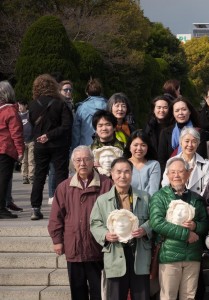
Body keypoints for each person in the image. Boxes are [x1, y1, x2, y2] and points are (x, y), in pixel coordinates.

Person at [48, 145, 112, 299]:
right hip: (74, 246)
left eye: (86, 159)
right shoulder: (64, 187)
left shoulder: (106, 184)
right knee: (78, 291)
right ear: (73, 163)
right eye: (78, 160)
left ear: (93, 161)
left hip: (97, 247)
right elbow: (56, 217)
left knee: (99, 291)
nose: (82, 163)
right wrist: (57, 240)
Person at [89, 158, 152, 300]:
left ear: (132, 173)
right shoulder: (102, 200)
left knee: (141, 296)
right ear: (111, 173)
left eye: (127, 172)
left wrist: (144, 229)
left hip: (139, 253)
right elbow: (95, 223)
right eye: (118, 172)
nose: (122, 176)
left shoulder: (145, 197)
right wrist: (105, 235)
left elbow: (154, 220)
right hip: (115, 253)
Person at [150, 156, 209, 300]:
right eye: (173, 172)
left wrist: (195, 226)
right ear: (168, 175)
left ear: (188, 174)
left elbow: (205, 223)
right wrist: (186, 234)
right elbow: (157, 223)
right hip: (169, 254)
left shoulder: (196, 198)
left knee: (189, 296)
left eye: (181, 172)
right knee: (168, 296)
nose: (176, 175)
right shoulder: (159, 197)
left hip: (193, 255)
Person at [29, 74, 73, 220]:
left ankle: (35, 208)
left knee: (39, 176)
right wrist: (51, 135)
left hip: (40, 145)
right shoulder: (60, 104)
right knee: (61, 175)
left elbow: (31, 125)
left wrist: (42, 136)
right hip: (59, 144)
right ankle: (61, 207)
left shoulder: (33, 105)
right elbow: (67, 126)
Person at [157, 97, 205, 171]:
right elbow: (162, 160)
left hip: (194, 174)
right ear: (173, 113)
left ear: (189, 111)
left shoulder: (199, 132)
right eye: (177, 110)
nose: (180, 113)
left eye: (184, 109)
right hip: (171, 176)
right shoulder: (165, 133)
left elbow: (201, 157)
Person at [161, 127, 209, 196]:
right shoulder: (171, 162)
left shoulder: (206, 165)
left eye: (194, 142)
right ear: (181, 143)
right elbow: (165, 185)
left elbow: (207, 189)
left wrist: (196, 202)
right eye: (187, 141)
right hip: (175, 202)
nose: (190, 145)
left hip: (198, 203)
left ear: (198, 144)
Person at [0, 81, 24, 218]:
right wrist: (20, 151)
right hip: (5, 149)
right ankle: (1, 208)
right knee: (4, 180)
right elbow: (16, 133)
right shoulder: (10, 112)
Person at [72, 78, 107, 149]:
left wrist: (75, 148)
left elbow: (76, 131)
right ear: (101, 92)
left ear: (87, 92)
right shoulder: (109, 106)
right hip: (105, 146)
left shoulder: (82, 108)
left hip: (85, 146)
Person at [126, 130, 161, 196]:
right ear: (129, 147)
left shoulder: (154, 165)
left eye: (143, 145)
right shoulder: (123, 164)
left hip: (148, 203)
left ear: (148, 147)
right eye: (135, 145)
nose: (139, 148)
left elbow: (153, 191)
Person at [19, 101, 34, 186]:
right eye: (18, 105)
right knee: (24, 160)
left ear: (25, 105)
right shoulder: (18, 116)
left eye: (21, 105)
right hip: (22, 141)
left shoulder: (29, 115)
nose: (19, 107)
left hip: (31, 140)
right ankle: (24, 176)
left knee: (31, 159)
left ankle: (31, 176)